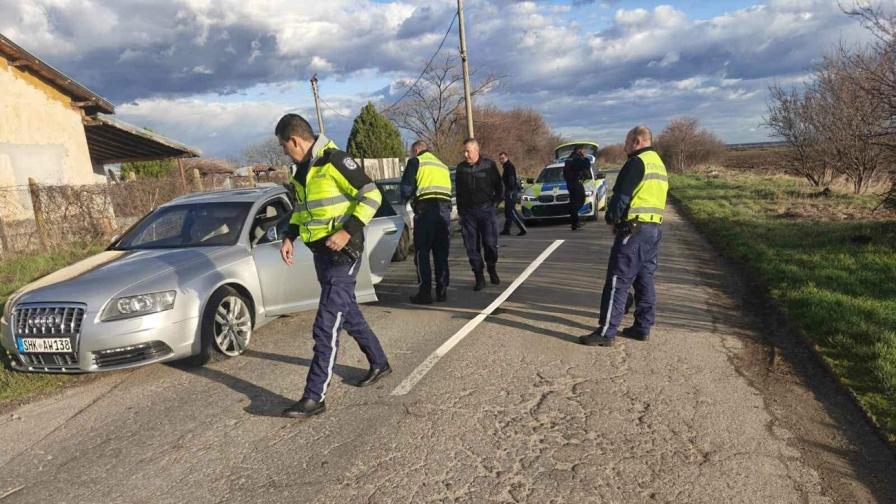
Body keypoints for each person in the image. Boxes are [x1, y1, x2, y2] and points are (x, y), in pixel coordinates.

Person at [275, 113, 391, 418]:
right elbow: (302, 211)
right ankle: (379, 362)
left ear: (295, 141)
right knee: (348, 313)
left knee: (326, 324)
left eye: (284, 146)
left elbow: (372, 194)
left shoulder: (335, 160)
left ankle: (315, 396)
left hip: (345, 254)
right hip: (321, 255)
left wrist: (346, 231)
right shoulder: (302, 172)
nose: (285, 151)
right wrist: (289, 236)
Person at [580, 125, 668, 347]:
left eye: (627, 142)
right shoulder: (658, 162)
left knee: (618, 280)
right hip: (653, 230)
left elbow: (621, 196)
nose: (624, 146)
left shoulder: (636, 163)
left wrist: (611, 219)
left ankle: (606, 331)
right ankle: (642, 326)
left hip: (634, 230)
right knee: (644, 279)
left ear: (637, 141)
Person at [399, 140, 453, 305]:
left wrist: (404, 200)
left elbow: (406, 188)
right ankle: (442, 291)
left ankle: (425, 293)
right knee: (441, 254)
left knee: (422, 253)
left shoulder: (416, 162)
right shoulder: (442, 166)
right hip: (444, 213)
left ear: (416, 150)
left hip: (425, 211)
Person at [455, 138, 503, 291]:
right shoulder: (461, 169)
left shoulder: (489, 165)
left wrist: (494, 204)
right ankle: (479, 277)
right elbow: (458, 192)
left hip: (486, 211)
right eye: (464, 151)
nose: (465, 154)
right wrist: (461, 212)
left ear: (476, 150)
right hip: (468, 214)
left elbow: (499, 187)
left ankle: (491, 267)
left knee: (490, 244)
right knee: (472, 248)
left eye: (468, 151)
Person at [498, 152, 527, 237]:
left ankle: (523, 228)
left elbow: (511, 180)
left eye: (502, 158)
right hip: (509, 192)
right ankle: (506, 230)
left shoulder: (509, 167)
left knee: (511, 212)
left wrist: (509, 191)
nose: (501, 160)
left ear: (507, 157)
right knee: (508, 212)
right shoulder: (506, 167)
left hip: (511, 192)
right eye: (500, 159)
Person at [564, 147, 590, 231]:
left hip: (570, 183)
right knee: (580, 200)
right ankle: (574, 219)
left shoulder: (568, 159)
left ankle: (575, 222)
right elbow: (587, 164)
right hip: (576, 183)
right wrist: (583, 157)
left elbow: (564, 172)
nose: (583, 152)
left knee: (573, 202)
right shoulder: (576, 159)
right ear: (579, 151)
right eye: (582, 151)